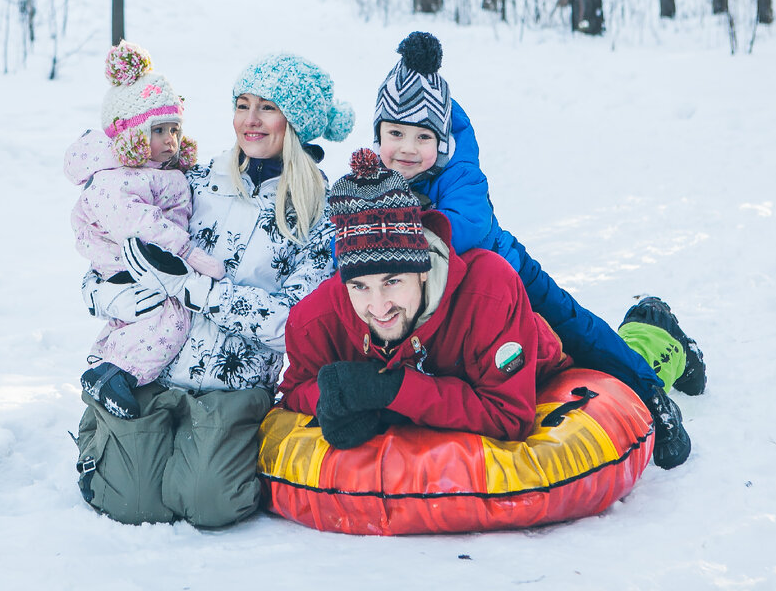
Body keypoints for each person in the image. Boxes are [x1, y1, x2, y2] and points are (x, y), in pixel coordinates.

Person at [369, 30, 706, 469]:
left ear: (442, 141)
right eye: (395, 133)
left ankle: (652, 392)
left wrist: (394, 233)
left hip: (511, 278)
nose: (407, 149)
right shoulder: (373, 177)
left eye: (422, 137)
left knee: (575, 332)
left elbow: (465, 229)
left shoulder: (461, 174)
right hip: (454, 307)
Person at [74, 53, 354, 527]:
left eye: (267, 107)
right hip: (154, 368)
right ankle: (110, 431)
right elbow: (110, 243)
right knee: (129, 502)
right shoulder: (193, 180)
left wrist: (198, 291)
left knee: (211, 504)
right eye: (242, 105)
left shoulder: (320, 214)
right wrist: (102, 295)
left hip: (233, 384)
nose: (250, 120)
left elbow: (295, 325)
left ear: (297, 120)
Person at [279, 149, 573, 448]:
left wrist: (393, 390)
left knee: (602, 349)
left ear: (422, 270)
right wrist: (336, 395)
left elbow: (508, 417)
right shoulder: (313, 319)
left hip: (538, 366)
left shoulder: (489, 290)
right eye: (359, 286)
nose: (379, 306)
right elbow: (295, 389)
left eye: (392, 281)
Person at [63, 41, 226, 420]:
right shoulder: (115, 178)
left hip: (147, 261)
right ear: (132, 134)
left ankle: (112, 372)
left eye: (175, 129)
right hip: (127, 259)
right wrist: (188, 253)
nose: (170, 140)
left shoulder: (162, 170)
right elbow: (136, 223)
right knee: (165, 318)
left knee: (155, 315)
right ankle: (115, 373)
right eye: (158, 130)